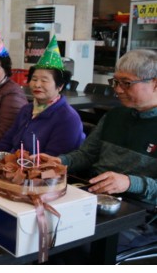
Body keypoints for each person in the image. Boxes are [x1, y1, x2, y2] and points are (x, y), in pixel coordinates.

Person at [42, 49, 157, 253]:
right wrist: (60, 162)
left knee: (72, 244)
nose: (118, 90)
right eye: (116, 82)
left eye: (127, 83)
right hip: (94, 196)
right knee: (42, 226)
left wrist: (130, 182)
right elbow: (87, 155)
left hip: (141, 213)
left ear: (154, 83)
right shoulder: (115, 116)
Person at [0, 36, 85, 155]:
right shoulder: (26, 109)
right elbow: (7, 141)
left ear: (60, 86)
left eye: (44, 80)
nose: (37, 84)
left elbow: (53, 160)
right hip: (13, 165)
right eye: (34, 79)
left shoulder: (67, 118)